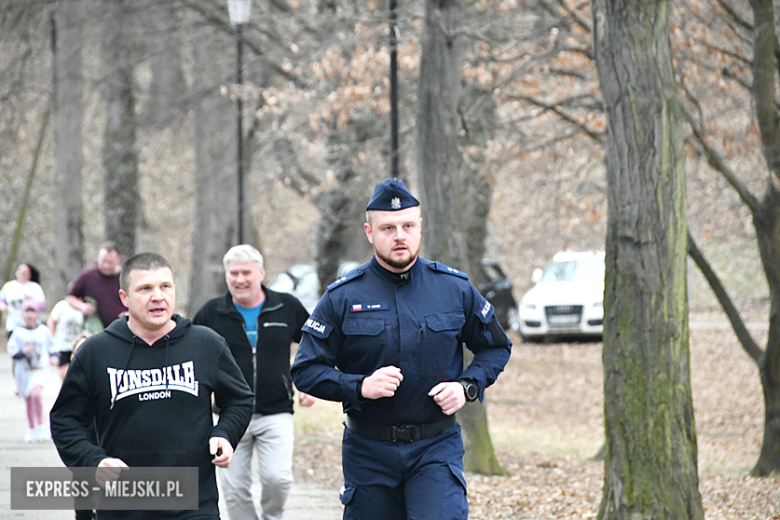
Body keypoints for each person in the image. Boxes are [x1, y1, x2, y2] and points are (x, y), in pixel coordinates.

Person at [291, 178, 513, 520]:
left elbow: (496, 348)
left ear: (419, 227)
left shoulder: (454, 289)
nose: (399, 235)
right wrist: (359, 385)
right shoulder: (343, 297)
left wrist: (467, 386)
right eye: (388, 228)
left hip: (435, 448)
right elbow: (305, 370)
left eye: (408, 225)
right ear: (369, 232)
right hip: (368, 451)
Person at [50, 252, 254, 520]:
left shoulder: (206, 344)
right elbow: (65, 420)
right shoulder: (95, 353)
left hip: (195, 503)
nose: (158, 296)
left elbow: (240, 400)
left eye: (165, 287)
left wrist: (226, 434)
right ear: (124, 298)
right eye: (145, 288)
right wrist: (94, 460)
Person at [193, 244, 314, 520]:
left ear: (261, 273)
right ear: (226, 276)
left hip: (277, 411)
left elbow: (313, 347)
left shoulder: (286, 306)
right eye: (233, 273)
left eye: (246, 272)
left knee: (278, 479)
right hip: (228, 415)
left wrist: (307, 383)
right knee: (234, 489)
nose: (240, 279)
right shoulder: (212, 313)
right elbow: (194, 358)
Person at [8, 299, 55, 442]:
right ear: (22, 314)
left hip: (39, 370)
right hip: (24, 372)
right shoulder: (18, 332)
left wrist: (54, 357)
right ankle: (31, 428)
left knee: (36, 394)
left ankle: (41, 425)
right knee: (28, 400)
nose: (29, 316)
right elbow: (13, 352)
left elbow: (52, 347)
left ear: (37, 314)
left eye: (32, 312)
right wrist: (24, 352)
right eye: (26, 312)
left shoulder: (43, 331)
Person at [66, 241, 126, 330]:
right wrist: (83, 307)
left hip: (122, 327)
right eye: (104, 261)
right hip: (94, 328)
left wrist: (130, 314)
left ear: (118, 260)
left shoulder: (126, 278)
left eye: (110, 262)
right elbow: (70, 297)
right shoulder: (87, 276)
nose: (106, 265)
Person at [0, 263, 46, 337]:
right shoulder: (9, 286)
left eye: (24, 273)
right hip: (13, 324)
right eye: (20, 271)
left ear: (29, 275)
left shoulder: (34, 287)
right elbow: (1, 299)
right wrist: (4, 307)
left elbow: (41, 306)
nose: (22, 274)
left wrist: (29, 300)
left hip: (30, 326)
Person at [47, 298, 85, 379]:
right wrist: (51, 339)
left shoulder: (82, 309)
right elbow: (52, 321)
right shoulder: (62, 306)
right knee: (65, 374)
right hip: (61, 345)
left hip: (74, 345)